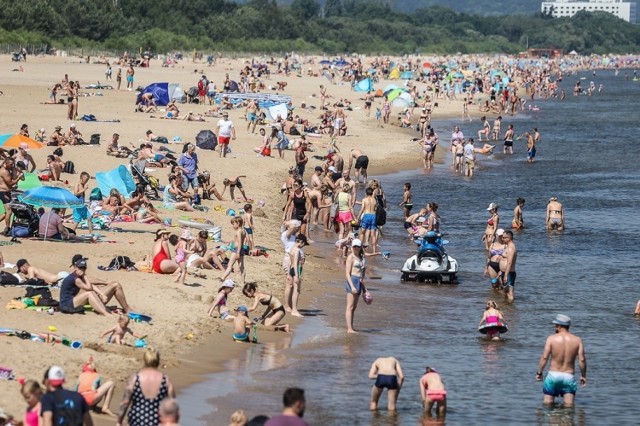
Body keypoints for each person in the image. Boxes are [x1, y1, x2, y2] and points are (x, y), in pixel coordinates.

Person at [536, 314, 587, 406]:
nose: (555, 327)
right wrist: (583, 376)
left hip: (553, 376)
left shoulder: (551, 339)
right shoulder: (577, 340)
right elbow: (582, 359)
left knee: (547, 405)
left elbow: (544, 357)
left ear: (559, 326)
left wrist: (539, 372)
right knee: (569, 407)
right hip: (568, 376)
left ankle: (553, 419)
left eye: (555, 325)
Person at [116, 348, 175, 426]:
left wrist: (119, 421)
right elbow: (172, 404)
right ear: (158, 361)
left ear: (145, 360)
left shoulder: (136, 378)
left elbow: (125, 402)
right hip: (157, 421)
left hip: (136, 419)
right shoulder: (165, 380)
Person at [60, 258, 130, 315]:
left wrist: (102, 294)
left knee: (116, 284)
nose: (82, 270)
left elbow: (92, 285)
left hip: (75, 300)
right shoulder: (76, 278)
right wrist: (84, 275)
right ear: (75, 268)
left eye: (84, 268)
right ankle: (106, 313)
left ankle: (127, 310)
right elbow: (89, 288)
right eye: (80, 268)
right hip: (68, 304)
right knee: (90, 293)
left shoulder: (78, 276)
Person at [345, 239, 367, 333]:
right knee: (349, 306)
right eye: (355, 246)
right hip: (352, 280)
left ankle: (351, 327)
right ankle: (349, 329)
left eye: (358, 246)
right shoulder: (351, 257)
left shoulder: (361, 257)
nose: (356, 248)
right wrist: (352, 286)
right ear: (352, 247)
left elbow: (362, 273)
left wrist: (364, 288)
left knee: (354, 307)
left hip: (359, 281)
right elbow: (347, 273)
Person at [0, 158, 25, 234]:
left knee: (8, 211)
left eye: (13, 164)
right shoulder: (4, 171)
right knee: (9, 211)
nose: (12, 165)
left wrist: (19, 172)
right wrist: (18, 178)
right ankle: (7, 228)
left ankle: (7, 228)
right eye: (11, 164)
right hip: (2, 192)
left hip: (7, 192)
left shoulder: (10, 169)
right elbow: (10, 183)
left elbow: (23, 178)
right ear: (6, 163)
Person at [285, 234, 307, 318]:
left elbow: (291, 262)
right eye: (304, 244)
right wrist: (297, 275)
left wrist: (288, 274)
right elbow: (295, 263)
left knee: (291, 288)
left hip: (291, 270)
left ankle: (288, 306)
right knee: (296, 291)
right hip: (295, 270)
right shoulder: (297, 250)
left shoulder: (292, 248)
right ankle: (294, 310)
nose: (303, 246)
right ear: (301, 242)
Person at [500, 230, 517, 302]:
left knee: (510, 293)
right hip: (505, 272)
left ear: (509, 238)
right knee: (505, 291)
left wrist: (506, 275)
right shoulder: (508, 246)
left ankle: (511, 309)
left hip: (509, 273)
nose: (502, 239)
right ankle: (507, 307)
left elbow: (509, 263)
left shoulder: (511, 248)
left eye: (504, 237)